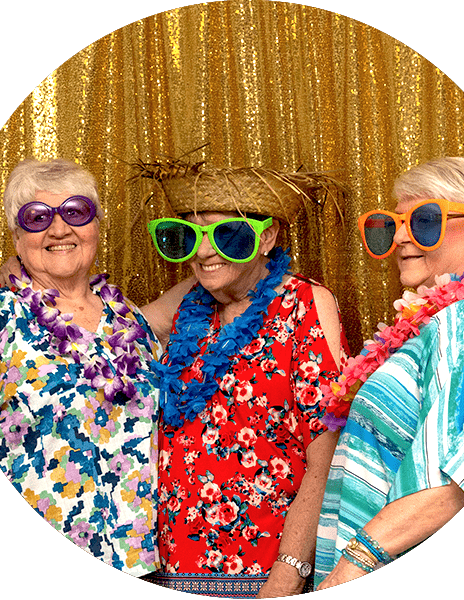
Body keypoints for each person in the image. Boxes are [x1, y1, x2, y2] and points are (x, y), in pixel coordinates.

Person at [315, 157, 464, 589]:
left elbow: (460, 474)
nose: (401, 236)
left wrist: (349, 571)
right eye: (393, 222)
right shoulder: (442, 321)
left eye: (424, 220)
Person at [133, 161, 349, 597]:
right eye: (189, 235)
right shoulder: (186, 308)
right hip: (174, 571)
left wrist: (288, 575)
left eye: (227, 235)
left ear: (266, 237)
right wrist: (28, 271)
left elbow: (326, 455)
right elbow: (98, 328)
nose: (205, 251)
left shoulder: (305, 303)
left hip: (263, 574)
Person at [0, 158, 166, 577]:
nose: (59, 229)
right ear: (16, 238)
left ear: (97, 226)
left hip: (139, 566)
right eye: (37, 217)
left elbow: (206, 287)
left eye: (75, 211)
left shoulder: (130, 323)